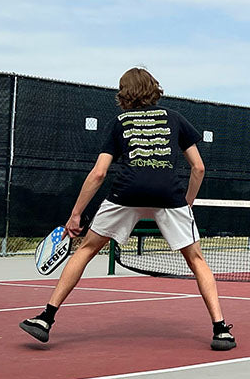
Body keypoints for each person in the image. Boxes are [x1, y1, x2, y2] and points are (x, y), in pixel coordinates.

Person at [19, 67, 235, 351]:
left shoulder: (119, 122)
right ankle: (221, 330)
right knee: (196, 260)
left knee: (85, 249)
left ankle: (46, 318)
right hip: (168, 194)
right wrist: (187, 203)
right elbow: (199, 167)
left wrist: (75, 215)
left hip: (127, 191)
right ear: (153, 89)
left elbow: (98, 173)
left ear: (124, 93)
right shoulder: (175, 118)